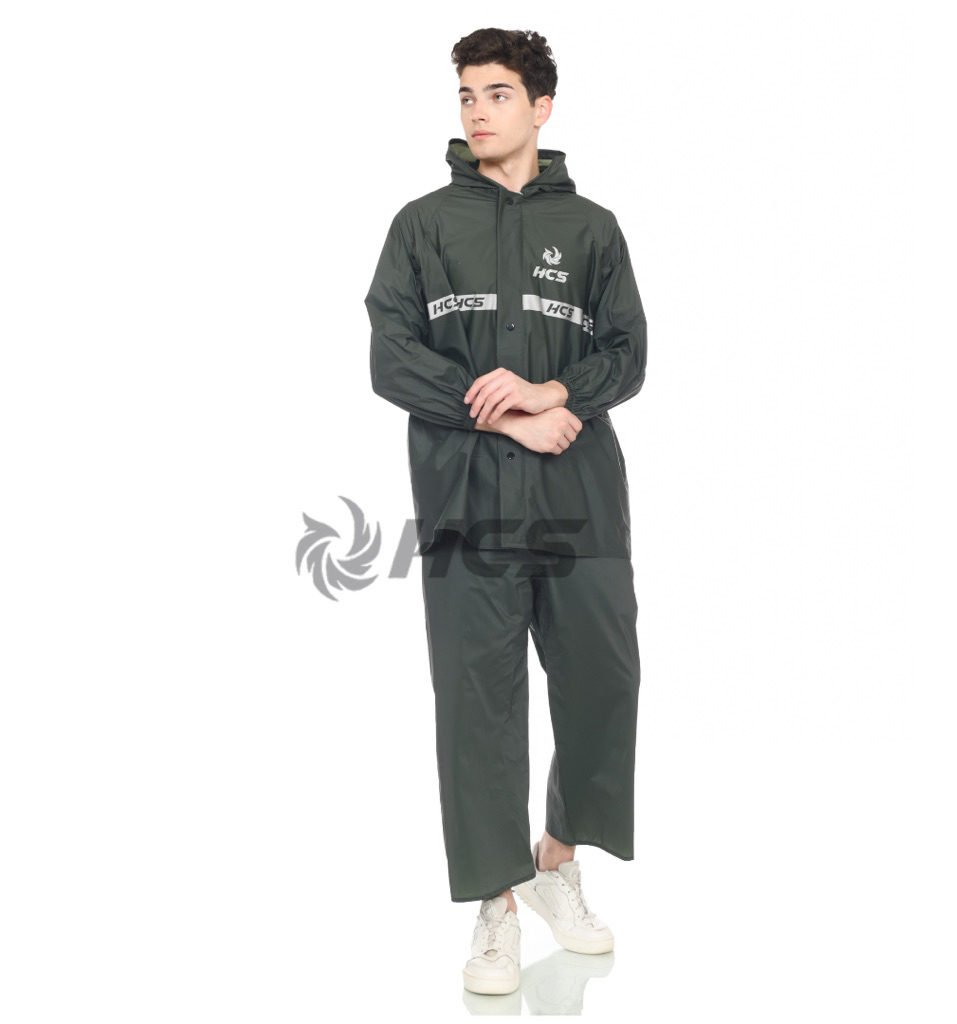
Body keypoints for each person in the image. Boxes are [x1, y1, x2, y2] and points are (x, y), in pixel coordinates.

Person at [364, 27, 647, 996]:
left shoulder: (594, 229)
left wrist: (556, 394)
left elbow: (629, 354)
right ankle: (495, 902)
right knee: (477, 699)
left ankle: (554, 861)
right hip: (465, 499)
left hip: (581, 498)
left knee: (605, 680)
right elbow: (391, 358)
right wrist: (511, 417)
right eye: (466, 95)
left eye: (496, 93)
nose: (477, 111)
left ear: (541, 107)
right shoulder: (422, 225)